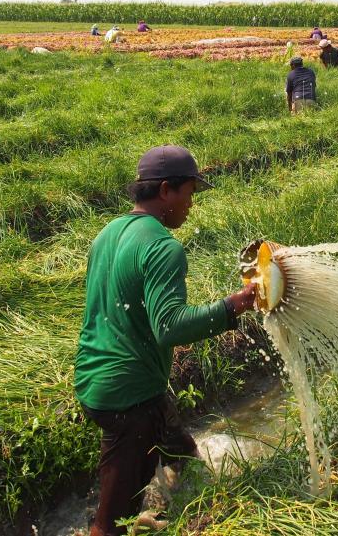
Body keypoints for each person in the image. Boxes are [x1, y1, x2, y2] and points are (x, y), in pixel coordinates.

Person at [75, 145, 257, 536]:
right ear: (165, 191)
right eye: (189, 193)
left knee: (182, 451)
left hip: (99, 376)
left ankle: (192, 499)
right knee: (111, 524)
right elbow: (170, 326)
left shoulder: (109, 233)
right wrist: (233, 306)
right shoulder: (162, 247)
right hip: (128, 397)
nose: (192, 204)